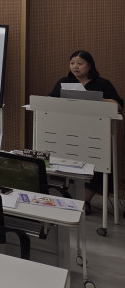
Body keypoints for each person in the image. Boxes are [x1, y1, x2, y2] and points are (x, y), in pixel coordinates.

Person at [47, 50, 122, 207]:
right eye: (72, 63)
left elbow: (118, 105)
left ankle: (84, 202)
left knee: (98, 164)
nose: (75, 66)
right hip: (66, 131)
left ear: (90, 65)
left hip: (94, 134)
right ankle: (67, 199)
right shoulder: (64, 82)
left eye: (80, 63)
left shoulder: (102, 84)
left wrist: (97, 99)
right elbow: (50, 101)